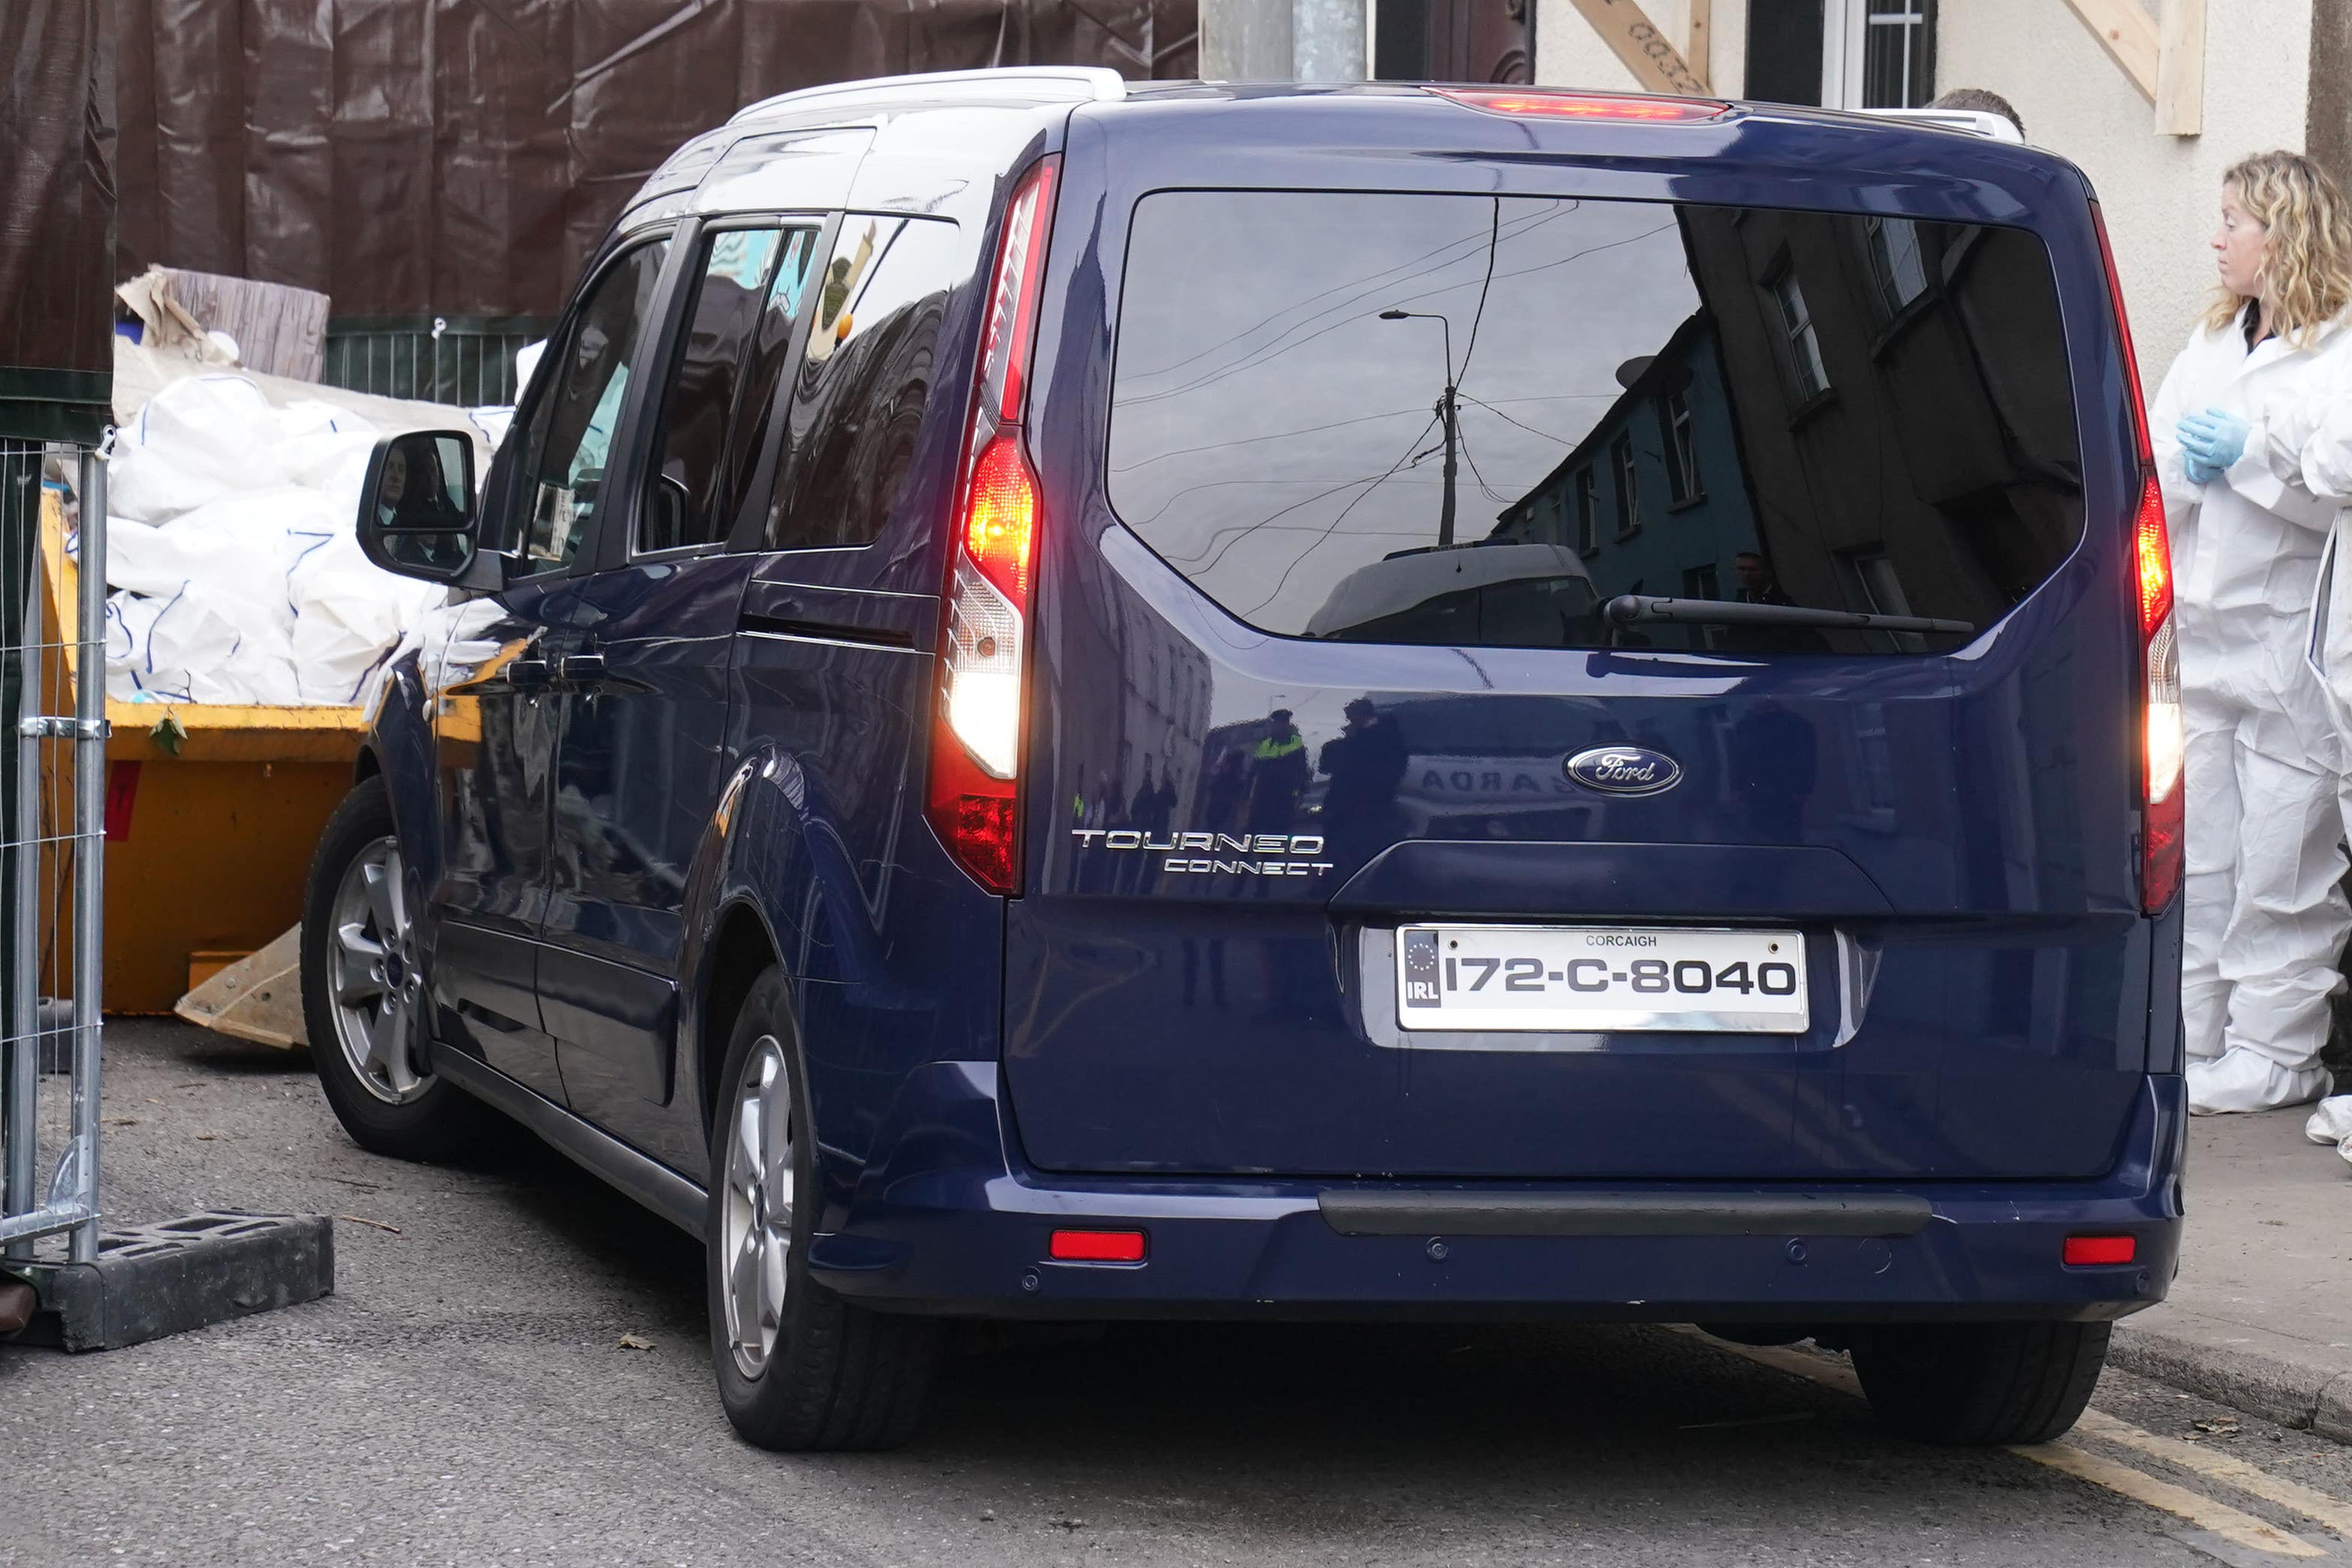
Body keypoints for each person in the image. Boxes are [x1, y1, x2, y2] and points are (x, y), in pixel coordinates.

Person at [2151, 149, 2352, 1114]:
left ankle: (2277, 1051)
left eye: (2235, 218)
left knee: (2284, 861)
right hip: (2203, 630)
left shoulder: (2338, 345)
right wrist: (2202, 467)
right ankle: (2196, 1033)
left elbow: (2334, 495)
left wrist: (2246, 461)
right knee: (2205, 854)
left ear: (2283, 231)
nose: (2218, 236)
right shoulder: (2212, 338)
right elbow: (2160, 458)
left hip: (2285, 644)